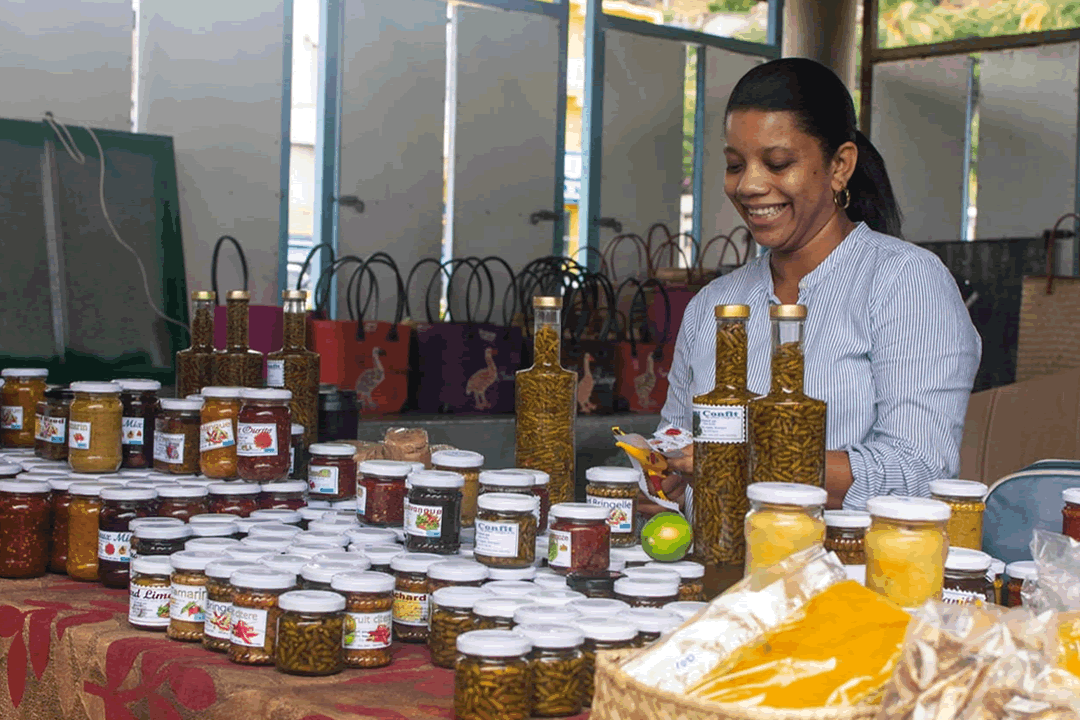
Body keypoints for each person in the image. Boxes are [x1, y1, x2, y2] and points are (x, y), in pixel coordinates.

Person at [649, 58, 981, 512]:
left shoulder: (903, 283)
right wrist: (660, 481)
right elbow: (676, 444)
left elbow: (918, 471)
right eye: (735, 165)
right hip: (716, 556)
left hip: (845, 558)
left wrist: (748, 465)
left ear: (840, 166)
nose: (749, 185)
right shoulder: (714, 305)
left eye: (778, 163)